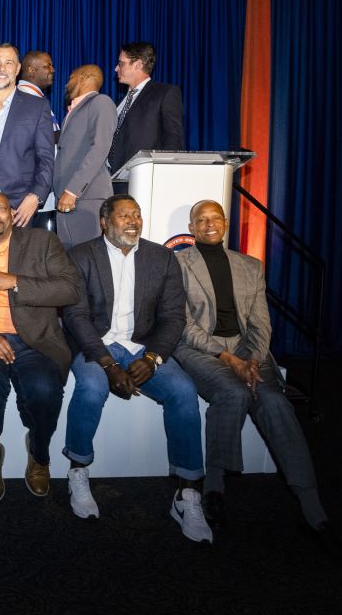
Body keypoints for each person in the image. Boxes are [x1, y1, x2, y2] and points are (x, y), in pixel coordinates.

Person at [173, 200, 335, 541]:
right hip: (200, 348)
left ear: (226, 222)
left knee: (275, 402)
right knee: (231, 391)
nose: (208, 224)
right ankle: (214, 488)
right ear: (191, 228)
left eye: (214, 218)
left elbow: (262, 324)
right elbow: (183, 324)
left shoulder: (250, 265)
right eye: (200, 220)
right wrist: (228, 359)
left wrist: (254, 360)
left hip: (248, 351)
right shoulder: (177, 263)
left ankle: (310, 501)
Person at [61, 194, 211, 543]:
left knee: (184, 391)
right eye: (124, 215)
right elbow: (76, 317)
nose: (133, 221)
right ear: (104, 222)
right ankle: (78, 471)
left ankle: (187, 493)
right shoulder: (81, 256)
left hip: (144, 347)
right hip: (97, 345)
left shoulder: (161, 258)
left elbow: (174, 317)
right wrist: (108, 363)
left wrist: (153, 358)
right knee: (92, 388)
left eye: (137, 215)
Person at [0, 191, 80, 503]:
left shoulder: (41, 242)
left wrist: (15, 281)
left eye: (1, 210)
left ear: (12, 215)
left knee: (44, 389)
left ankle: (39, 452)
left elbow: (71, 289)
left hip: (33, 338)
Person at [0, 43, 55, 236]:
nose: (2, 68)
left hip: (17, 211)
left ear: (17, 69)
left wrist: (35, 197)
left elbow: (46, 159)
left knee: (15, 267)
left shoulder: (37, 107)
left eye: (9, 63)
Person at [53, 65, 116, 249]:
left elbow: (100, 148)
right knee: (72, 264)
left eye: (71, 77)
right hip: (67, 201)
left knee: (91, 262)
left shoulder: (101, 102)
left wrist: (73, 191)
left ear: (84, 77)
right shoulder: (70, 114)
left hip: (86, 199)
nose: (66, 84)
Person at [108, 41, 184, 189]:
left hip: (143, 181)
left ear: (138, 64)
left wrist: (163, 175)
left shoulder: (164, 93)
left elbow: (173, 136)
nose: (116, 68)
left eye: (121, 63)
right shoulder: (120, 102)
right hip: (113, 182)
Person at [16, 50, 59, 229]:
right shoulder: (25, 101)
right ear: (31, 70)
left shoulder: (37, 100)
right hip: (32, 194)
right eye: (47, 65)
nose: (53, 69)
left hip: (40, 191)